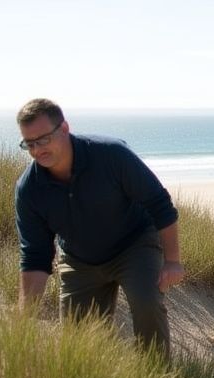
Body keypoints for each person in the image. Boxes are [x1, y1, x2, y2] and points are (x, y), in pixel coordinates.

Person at [15, 98, 185, 357]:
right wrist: (25, 320)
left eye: (44, 139)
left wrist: (172, 261)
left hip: (134, 245)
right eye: (30, 144)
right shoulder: (29, 190)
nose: (38, 150)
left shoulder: (110, 155)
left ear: (64, 128)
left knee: (146, 301)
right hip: (79, 261)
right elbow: (35, 257)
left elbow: (159, 203)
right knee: (76, 346)